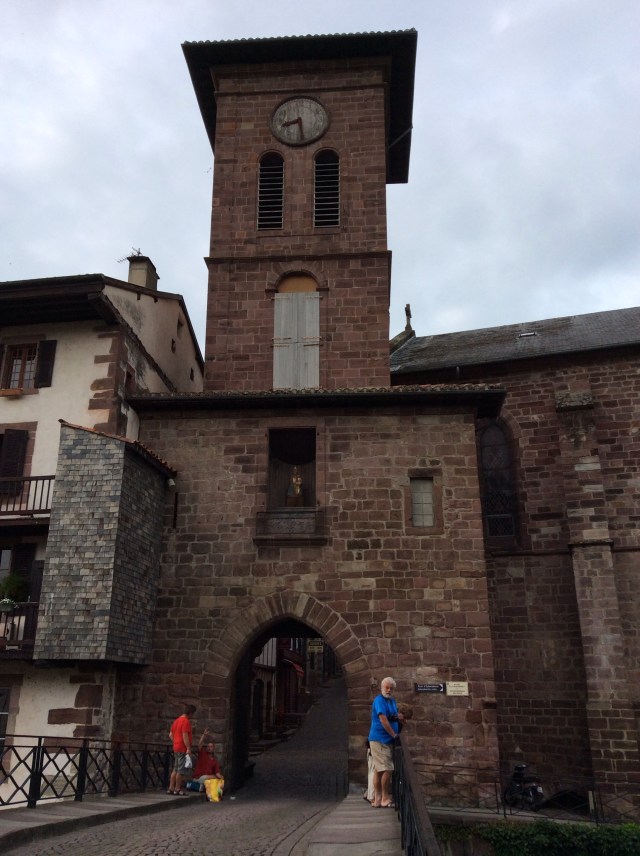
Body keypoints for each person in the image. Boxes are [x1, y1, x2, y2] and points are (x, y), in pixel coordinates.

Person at [368, 677, 403, 808]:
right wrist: (394, 734)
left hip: (385, 740)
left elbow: (391, 716)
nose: (389, 690)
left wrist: (398, 717)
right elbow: (383, 719)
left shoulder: (392, 701)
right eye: (387, 687)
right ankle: (385, 798)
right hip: (380, 739)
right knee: (388, 768)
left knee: (379, 769)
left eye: (391, 688)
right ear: (382, 688)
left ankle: (377, 800)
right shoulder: (379, 700)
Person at [168, 703, 196, 795]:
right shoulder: (185, 721)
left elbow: (170, 734)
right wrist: (188, 748)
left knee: (175, 769)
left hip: (176, 747)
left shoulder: (176, 721)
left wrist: (175, 742)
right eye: (192, 714)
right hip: (182, 748)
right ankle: (177, 788)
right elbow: (185, 735)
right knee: (181, 770)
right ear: (190, 713)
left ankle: (171, 788)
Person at [192, 727, 224, 794]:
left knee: (219, 778)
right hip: (199, 778)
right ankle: (202, 786)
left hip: (208, 780)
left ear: (214, 748)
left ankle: (218, 794)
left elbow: (217, 773)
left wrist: (221, 777)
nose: (209, 748)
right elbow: (200, 745)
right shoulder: (203, 754)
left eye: (211, 746)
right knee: (210, 777)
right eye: (208, 746)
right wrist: (204, 735)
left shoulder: (214, 761)